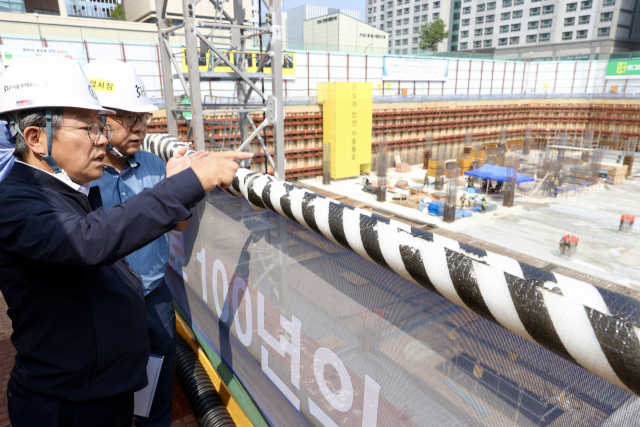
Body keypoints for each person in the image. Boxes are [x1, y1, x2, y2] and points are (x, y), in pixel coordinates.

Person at [0, 57, 252, 426]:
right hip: (69, 405)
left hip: (94, 389)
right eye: (89, 128)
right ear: (36, 138)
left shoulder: (60, 189)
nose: (102, 138)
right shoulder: (15, 203)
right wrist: (191, 181)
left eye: (101, 126)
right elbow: (90, 240)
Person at [83, 58, 205, 427]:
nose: (140, 128)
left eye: (144, 118)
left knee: (157, 390)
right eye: (129, 118)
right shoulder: (80, 175)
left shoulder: (153, 165)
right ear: (100, 118)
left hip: (154, 295)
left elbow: (180, 225)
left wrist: (176, 186)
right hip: (101, 304)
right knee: (106, 391)